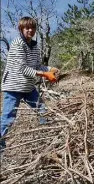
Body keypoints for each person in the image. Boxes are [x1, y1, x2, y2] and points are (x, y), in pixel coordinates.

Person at [0, 16, 60, 151]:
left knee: (43, 111)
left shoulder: (34, 46)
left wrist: (51, 69)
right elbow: (22, 68)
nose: (30, 30)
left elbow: (37, 65)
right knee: (8, 119)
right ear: (21, 29)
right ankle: (0, 147)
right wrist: (44, 74)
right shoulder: (17, 44)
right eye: (27, 28)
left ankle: (49, 139)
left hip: (28, 87)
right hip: (13, 87)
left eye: (33, 28)